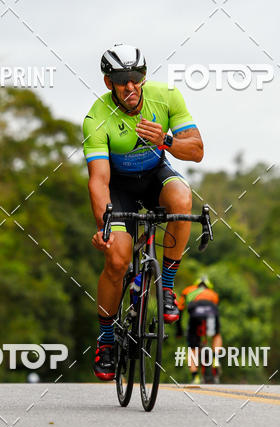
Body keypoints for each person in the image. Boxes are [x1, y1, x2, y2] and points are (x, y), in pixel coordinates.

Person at [83, 43, 204, 380]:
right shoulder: (96, 117)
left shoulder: (166, 97)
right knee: (118, 260)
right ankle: (106, 340)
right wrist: (104, 225)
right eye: (122, 79)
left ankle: (166, 286)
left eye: (136, 77)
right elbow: (99, 181)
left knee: (182, 199)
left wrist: (165, 140)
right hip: (118, 188)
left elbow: (196, 151)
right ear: (109, 83)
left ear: (144, 76)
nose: (131, 86)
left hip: (154, 177)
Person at [178, 276, 222, 383]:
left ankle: (195, 376)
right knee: (216, 335)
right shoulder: (213, 294)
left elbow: (180, 310)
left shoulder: (188, 290)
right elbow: (216, 308)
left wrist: (178, 330)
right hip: (211, 312)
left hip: (195, 315)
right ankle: (215, 358)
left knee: (192, 347)